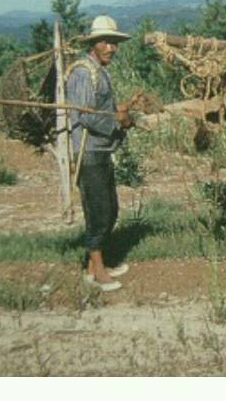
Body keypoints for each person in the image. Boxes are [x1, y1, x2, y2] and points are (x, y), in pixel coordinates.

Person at [66, 15, 135, 292]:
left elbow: (102, 106)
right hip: (88, 151)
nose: (112, 48)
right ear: (94, 44)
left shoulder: (100, 70)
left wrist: (123, 110)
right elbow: (86, 116)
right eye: (106, 43)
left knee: (110, 209)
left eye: (114, 43)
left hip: (101, 150)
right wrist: (118, 122)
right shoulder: (84, 72)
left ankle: (96, 265)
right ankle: (97, 271)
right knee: (100, 212)